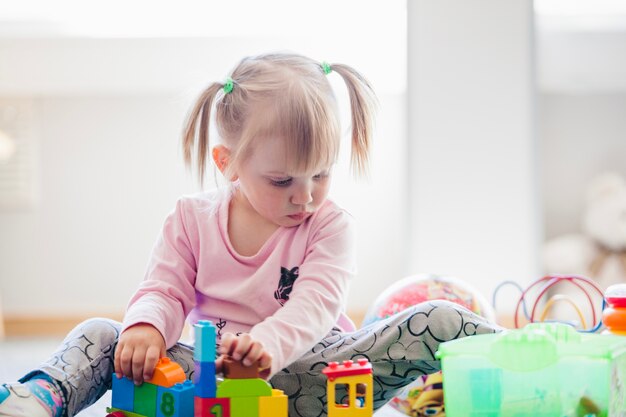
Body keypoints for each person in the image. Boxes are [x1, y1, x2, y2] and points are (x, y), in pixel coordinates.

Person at [0, 52, 500, 417]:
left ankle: (536, 358)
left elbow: (315, 305)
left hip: (307, 372)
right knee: (101, 334)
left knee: (439, 317)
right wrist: (147, 328)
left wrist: (266, 347)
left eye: (321, 175)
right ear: (228, 163)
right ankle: (39, 397)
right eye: (282, 181)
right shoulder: (190, 218)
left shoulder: (330, 225)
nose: (304, 197)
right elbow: (164, 288)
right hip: (204, 375)